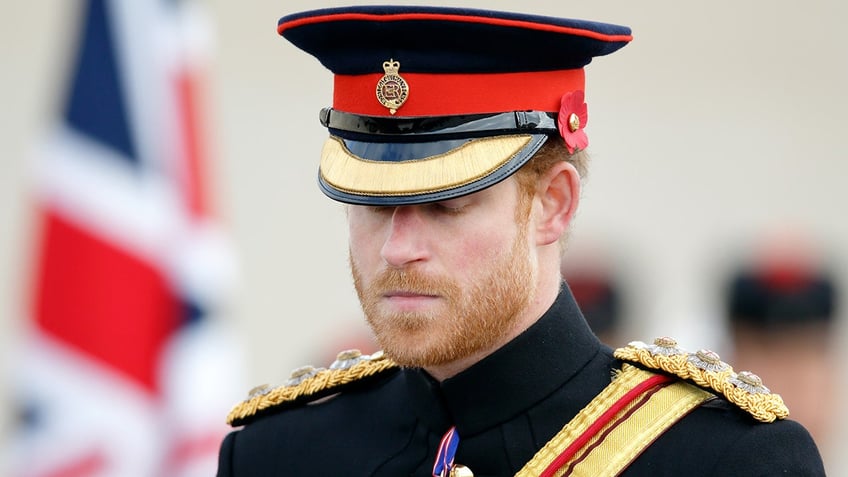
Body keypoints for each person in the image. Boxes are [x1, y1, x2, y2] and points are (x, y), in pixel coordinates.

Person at [217, 6, 825, 476]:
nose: (397, 249)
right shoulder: (277, 455)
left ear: (553, 205)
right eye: (373, 203)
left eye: (445, 205)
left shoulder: (722, 460)